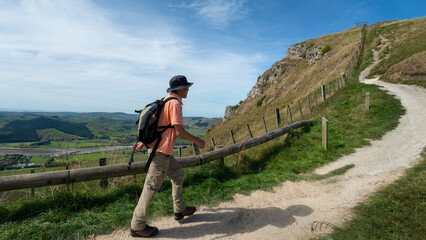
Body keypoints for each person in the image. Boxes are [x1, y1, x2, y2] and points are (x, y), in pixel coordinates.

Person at [130, 75, 206, 238]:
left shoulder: (165, 101)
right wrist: (197, 141)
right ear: (179, 89)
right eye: (186, 87)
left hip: (162, 152)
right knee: (150, 188)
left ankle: (179, 209)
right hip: (161, 153)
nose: (187, 90)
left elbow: (159, 125)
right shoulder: (175, 104)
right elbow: (179, 131)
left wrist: (144, 141)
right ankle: (137, 226)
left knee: (178, 174)